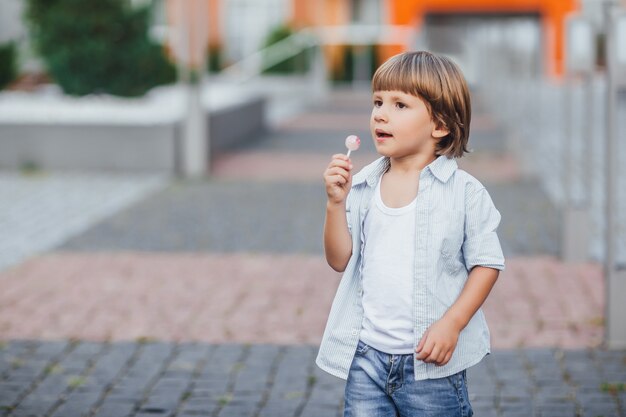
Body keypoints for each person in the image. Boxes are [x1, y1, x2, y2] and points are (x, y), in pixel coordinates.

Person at [317, 51, 505, 417]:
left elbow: (487, 264)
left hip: (430, 364)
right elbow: (339, 259)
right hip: (367, 357)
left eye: (400, 104)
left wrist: (452, 325)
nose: (380, 114)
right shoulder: (364, 187)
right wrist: (334, 205)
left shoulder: (465, 193)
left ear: (440, 125)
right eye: (377, 102)